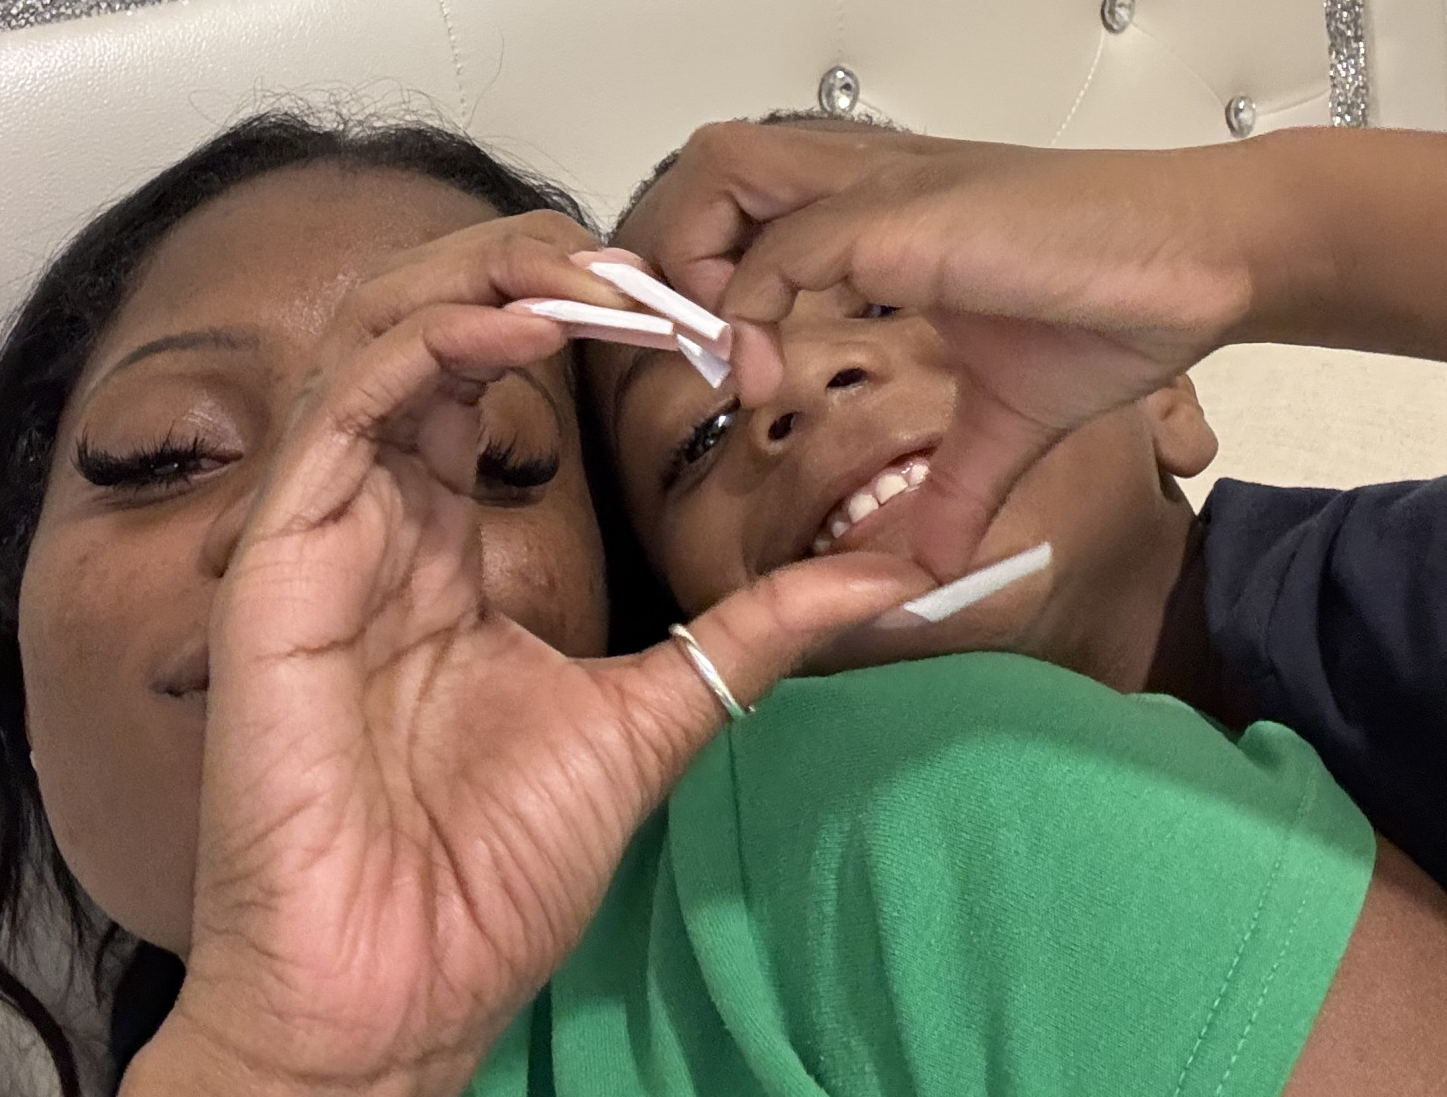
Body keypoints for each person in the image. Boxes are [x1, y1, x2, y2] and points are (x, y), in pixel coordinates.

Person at [0, 109, 1447, 1097]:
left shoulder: (928, 815)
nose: (308, 542)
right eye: (170, 453)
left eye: (497, 459)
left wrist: (1264, 227)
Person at [614, 115, 1447, 886]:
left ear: (1164, 395)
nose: (797, 377)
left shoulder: (1393, 595)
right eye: (702, 432)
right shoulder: (807, 906)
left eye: (883, 301)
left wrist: (1248, 243)